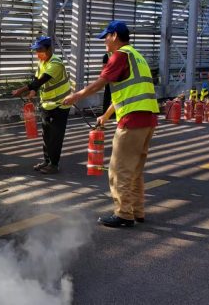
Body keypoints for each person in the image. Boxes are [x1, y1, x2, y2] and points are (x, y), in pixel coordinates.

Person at [62, 20, 158, 228]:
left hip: (132, 120)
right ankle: (137, 211)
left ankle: (124, 214)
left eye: (106, 37)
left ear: (114, 36)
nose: (104, 41)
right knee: (135, 170)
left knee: (118, 170)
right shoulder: (137, 56)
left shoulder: (119, 55)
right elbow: (126, 92)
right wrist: (106, 116)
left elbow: (99, 83)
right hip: (148, 119)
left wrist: (76, 96)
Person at [12, 35, 71, 175]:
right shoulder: (42, 62)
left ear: (49, 49)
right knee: (46, 135)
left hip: (60, 105)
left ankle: (54, 165)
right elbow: (36, 79)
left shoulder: (56, 64)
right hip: (47, 105)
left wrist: (21, 90)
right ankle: (47, 161)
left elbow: (41, 81)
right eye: (36, 50)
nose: (38, 53)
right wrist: (33, 91)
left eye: (40, 50)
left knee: (55, 136)